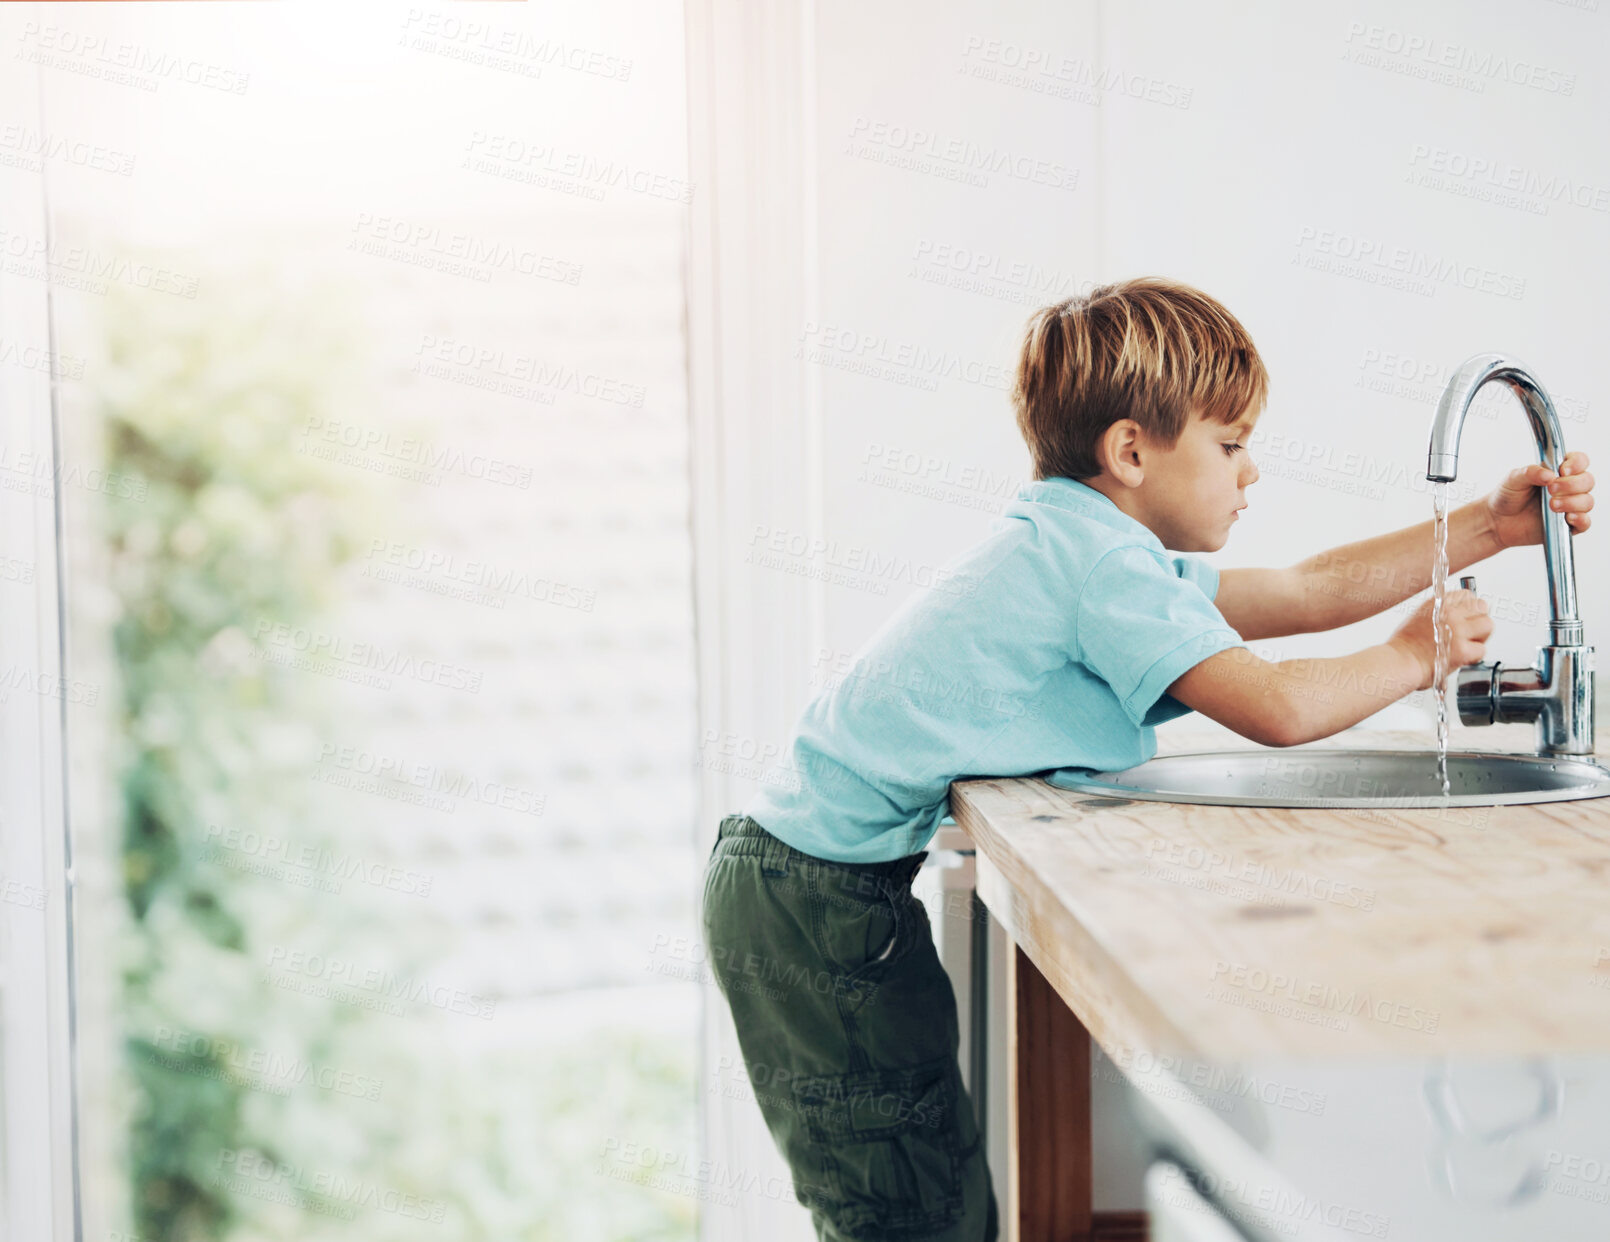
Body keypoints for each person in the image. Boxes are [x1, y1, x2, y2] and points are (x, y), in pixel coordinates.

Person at [700, 276, 1595, 1241]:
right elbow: (1278, 710)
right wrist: (1411, 658)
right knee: (910, 1211)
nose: (1251, 473)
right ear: (1131, 451)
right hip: (814, 900)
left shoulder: (1084, 542)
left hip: (801, 885)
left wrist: (1486, 528)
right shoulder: (1100, 567)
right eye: (1231, 444)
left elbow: (1300, 588)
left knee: (916, 1197)